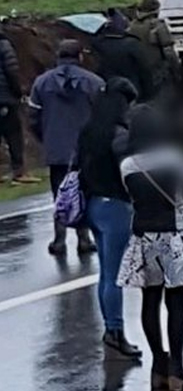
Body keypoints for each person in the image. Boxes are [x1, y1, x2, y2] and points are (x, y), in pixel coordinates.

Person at [116, 104, 183, 391]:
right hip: (175, 236)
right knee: (177, 304)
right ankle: (178, 369)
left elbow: (129, 197)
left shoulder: (127, 165)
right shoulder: (175, 158)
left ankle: (158, 365)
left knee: (149, 301)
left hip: (143, 238)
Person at [76, 77, 142, 358]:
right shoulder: (119, 135)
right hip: (115, 207)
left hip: (92, 205)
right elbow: (130, 170)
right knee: (114, 275)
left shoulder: (89, 131)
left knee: (105, 273)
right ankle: (115, 331)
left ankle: (111, 329)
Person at [29, 39, 103, 255]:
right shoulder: (94, 82)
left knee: (60, 194)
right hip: (86, 150)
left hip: (57, 149)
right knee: (86, 192)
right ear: (80, 56)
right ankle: (84, 238)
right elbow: (103, 117)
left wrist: (47, 138)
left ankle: (59, 239)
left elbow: (33, 118)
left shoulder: (41, 83)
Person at [0, 28, 38, 184]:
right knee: (14, 134)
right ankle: (19, 172)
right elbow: (11, 70)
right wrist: (18, 91)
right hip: (4, 97)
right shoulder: (3, 45)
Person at [90, 18, 155, 102]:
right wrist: (149, 93)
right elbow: (144, 69)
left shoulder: (95, 44)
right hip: (133, 89)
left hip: (107, 88)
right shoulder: (132, 44)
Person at [128, 0, 181, 94]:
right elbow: (169, 52)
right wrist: (177, 71)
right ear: (156, 9)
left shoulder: (131, 26)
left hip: (138, 73)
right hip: (158, 72)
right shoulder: (158, 26)